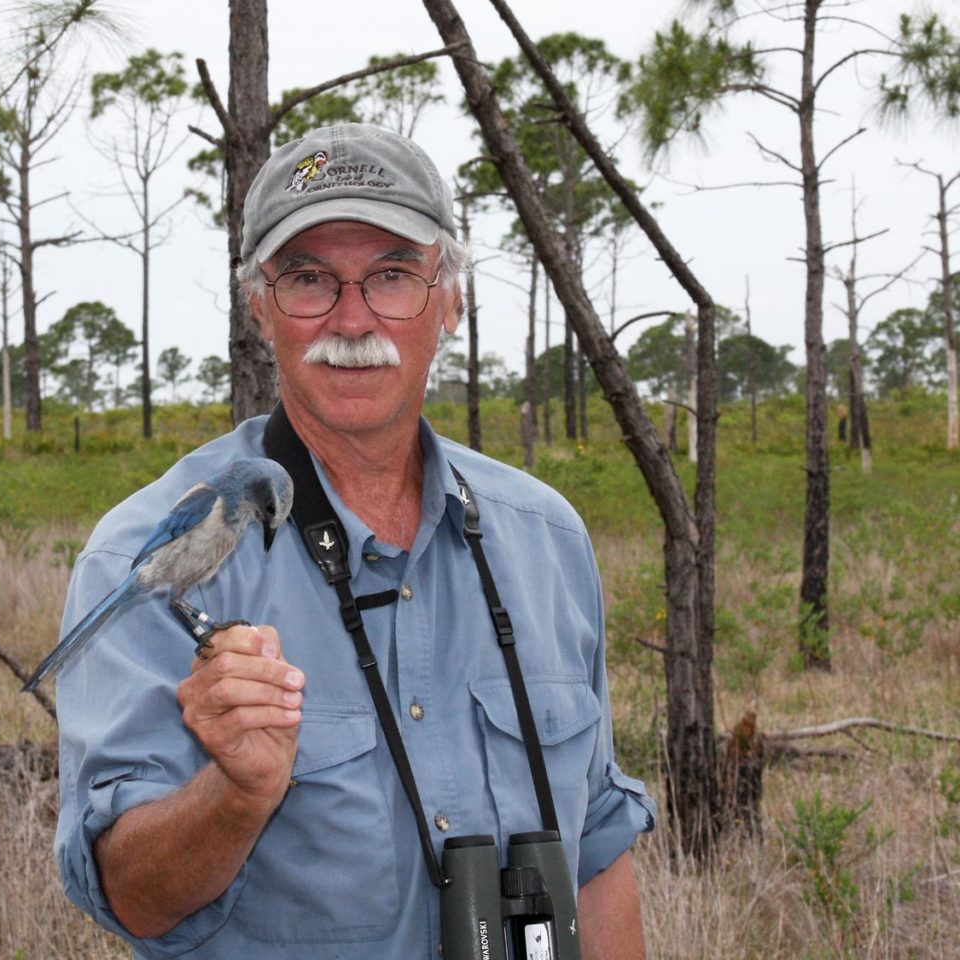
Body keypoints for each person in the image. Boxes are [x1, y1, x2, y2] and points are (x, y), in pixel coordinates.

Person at [54, 123, 655, 959]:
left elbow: (595, 848)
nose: (352, 318)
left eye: (393, 276)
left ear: (450, 301)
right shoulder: (143, 558)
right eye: (307, 279)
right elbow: (129, 894)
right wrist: (236, 795)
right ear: (257, 307)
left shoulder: (546, 539)